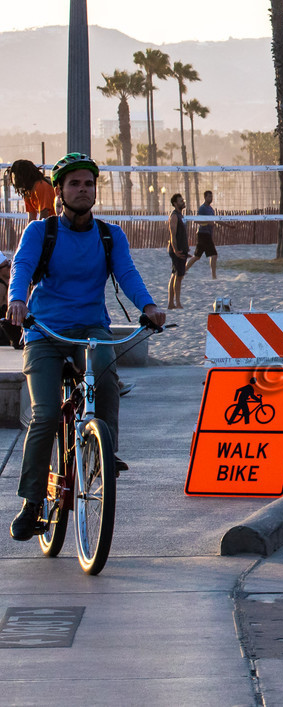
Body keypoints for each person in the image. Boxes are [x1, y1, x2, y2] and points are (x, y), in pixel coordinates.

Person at [7, 154, 164, 541]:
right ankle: (30, 504)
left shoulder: (110, 235)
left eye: (88, 184)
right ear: (59, 191)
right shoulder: (40, 232)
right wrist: (16, 300)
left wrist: (148, 306)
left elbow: (127, 273)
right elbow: (22, 268)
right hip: (43, 329)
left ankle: (103, 455)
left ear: (95, 191)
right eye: (74, 184)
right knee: (44, 415)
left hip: (92, 328)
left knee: (108, 381)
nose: (82, 190)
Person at [187, 189, 219, 278]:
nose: (211, 198)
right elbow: (197, 220)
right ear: (205, 197)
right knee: (214, 255)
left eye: (211, 196)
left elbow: (216, 220)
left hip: (206, 234)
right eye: (209, 196)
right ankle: (214, 276)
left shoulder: (211, 209)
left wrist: (228, 225)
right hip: (203, 234)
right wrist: (208, 222)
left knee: (197, 256)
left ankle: (184, 270)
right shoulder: (202, 208)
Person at [165, 193, 188, 312]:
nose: (183, 202)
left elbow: (181, 234)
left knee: (176, 275)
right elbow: (172, 234)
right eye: (180, 201)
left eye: (182, 200)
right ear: (175, 203)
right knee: (178, 276)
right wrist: (175, 250)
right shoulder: (174, 216)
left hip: (181, 249)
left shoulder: (180, 216)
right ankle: (176, 303)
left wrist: (185, 249)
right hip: (176, 250)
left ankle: (171, 303)